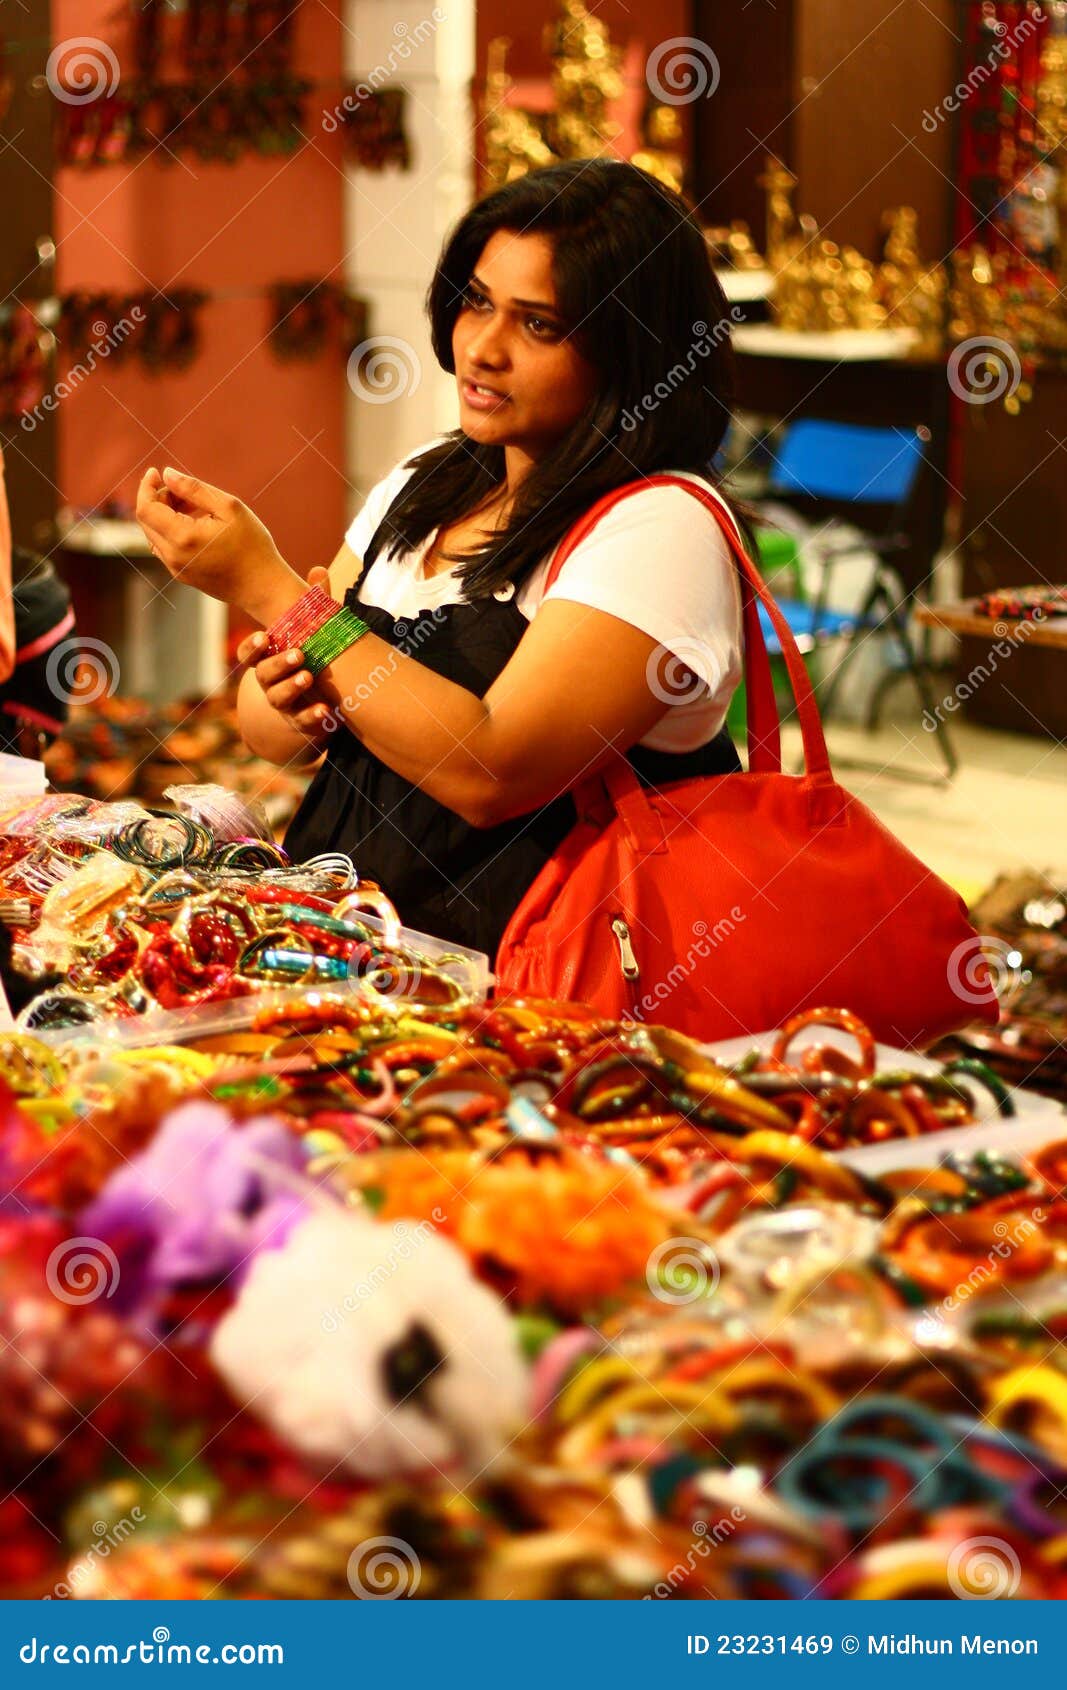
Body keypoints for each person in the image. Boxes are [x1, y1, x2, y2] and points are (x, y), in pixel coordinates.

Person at [136, 159, 751, 956]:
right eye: (477, 302)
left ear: (630, 350)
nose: (483, 348)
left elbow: (488, 771)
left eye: (538, 325)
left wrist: (273, 591)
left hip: (541, 986)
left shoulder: (659, 527)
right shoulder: (425, 484)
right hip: (355, 955)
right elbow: (269, 734)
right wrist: (292, 691)